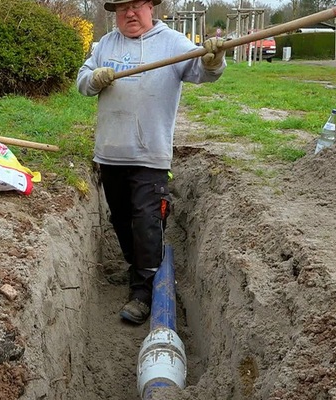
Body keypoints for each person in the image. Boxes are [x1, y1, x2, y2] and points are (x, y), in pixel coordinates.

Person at [76, 0, 226, 324]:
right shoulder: (105, 45)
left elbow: (203, 71)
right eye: (122, 8)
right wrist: (95, 79)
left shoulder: (172, 43)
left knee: (146, 222)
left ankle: (143, 292)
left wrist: (213, 59)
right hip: (111, 153)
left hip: (150, 155)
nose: (129, 13)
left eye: (136, 5)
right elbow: (82, 81)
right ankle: (136, 268)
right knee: (120, 219)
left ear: (150, 8)